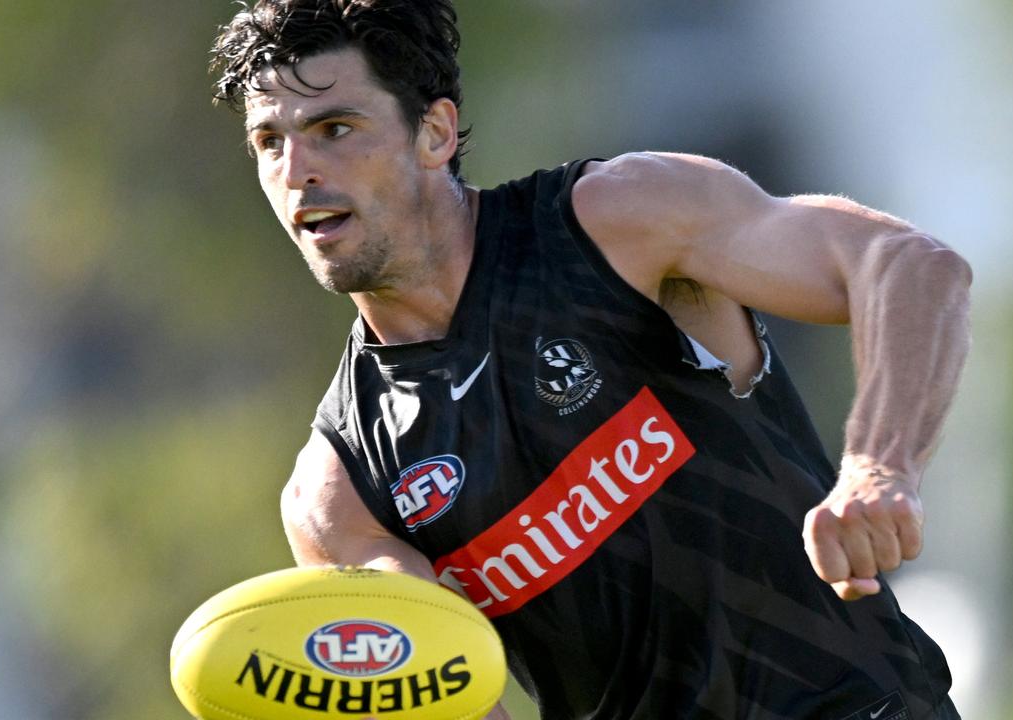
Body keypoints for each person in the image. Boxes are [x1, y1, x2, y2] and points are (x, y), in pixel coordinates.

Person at [210, 1, 971, 718]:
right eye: (269, 142)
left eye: (335, 128)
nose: (297, 170)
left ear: (435, 133)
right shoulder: (340, 494)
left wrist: (879, 466)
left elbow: (908, 267)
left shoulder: (615, 224)